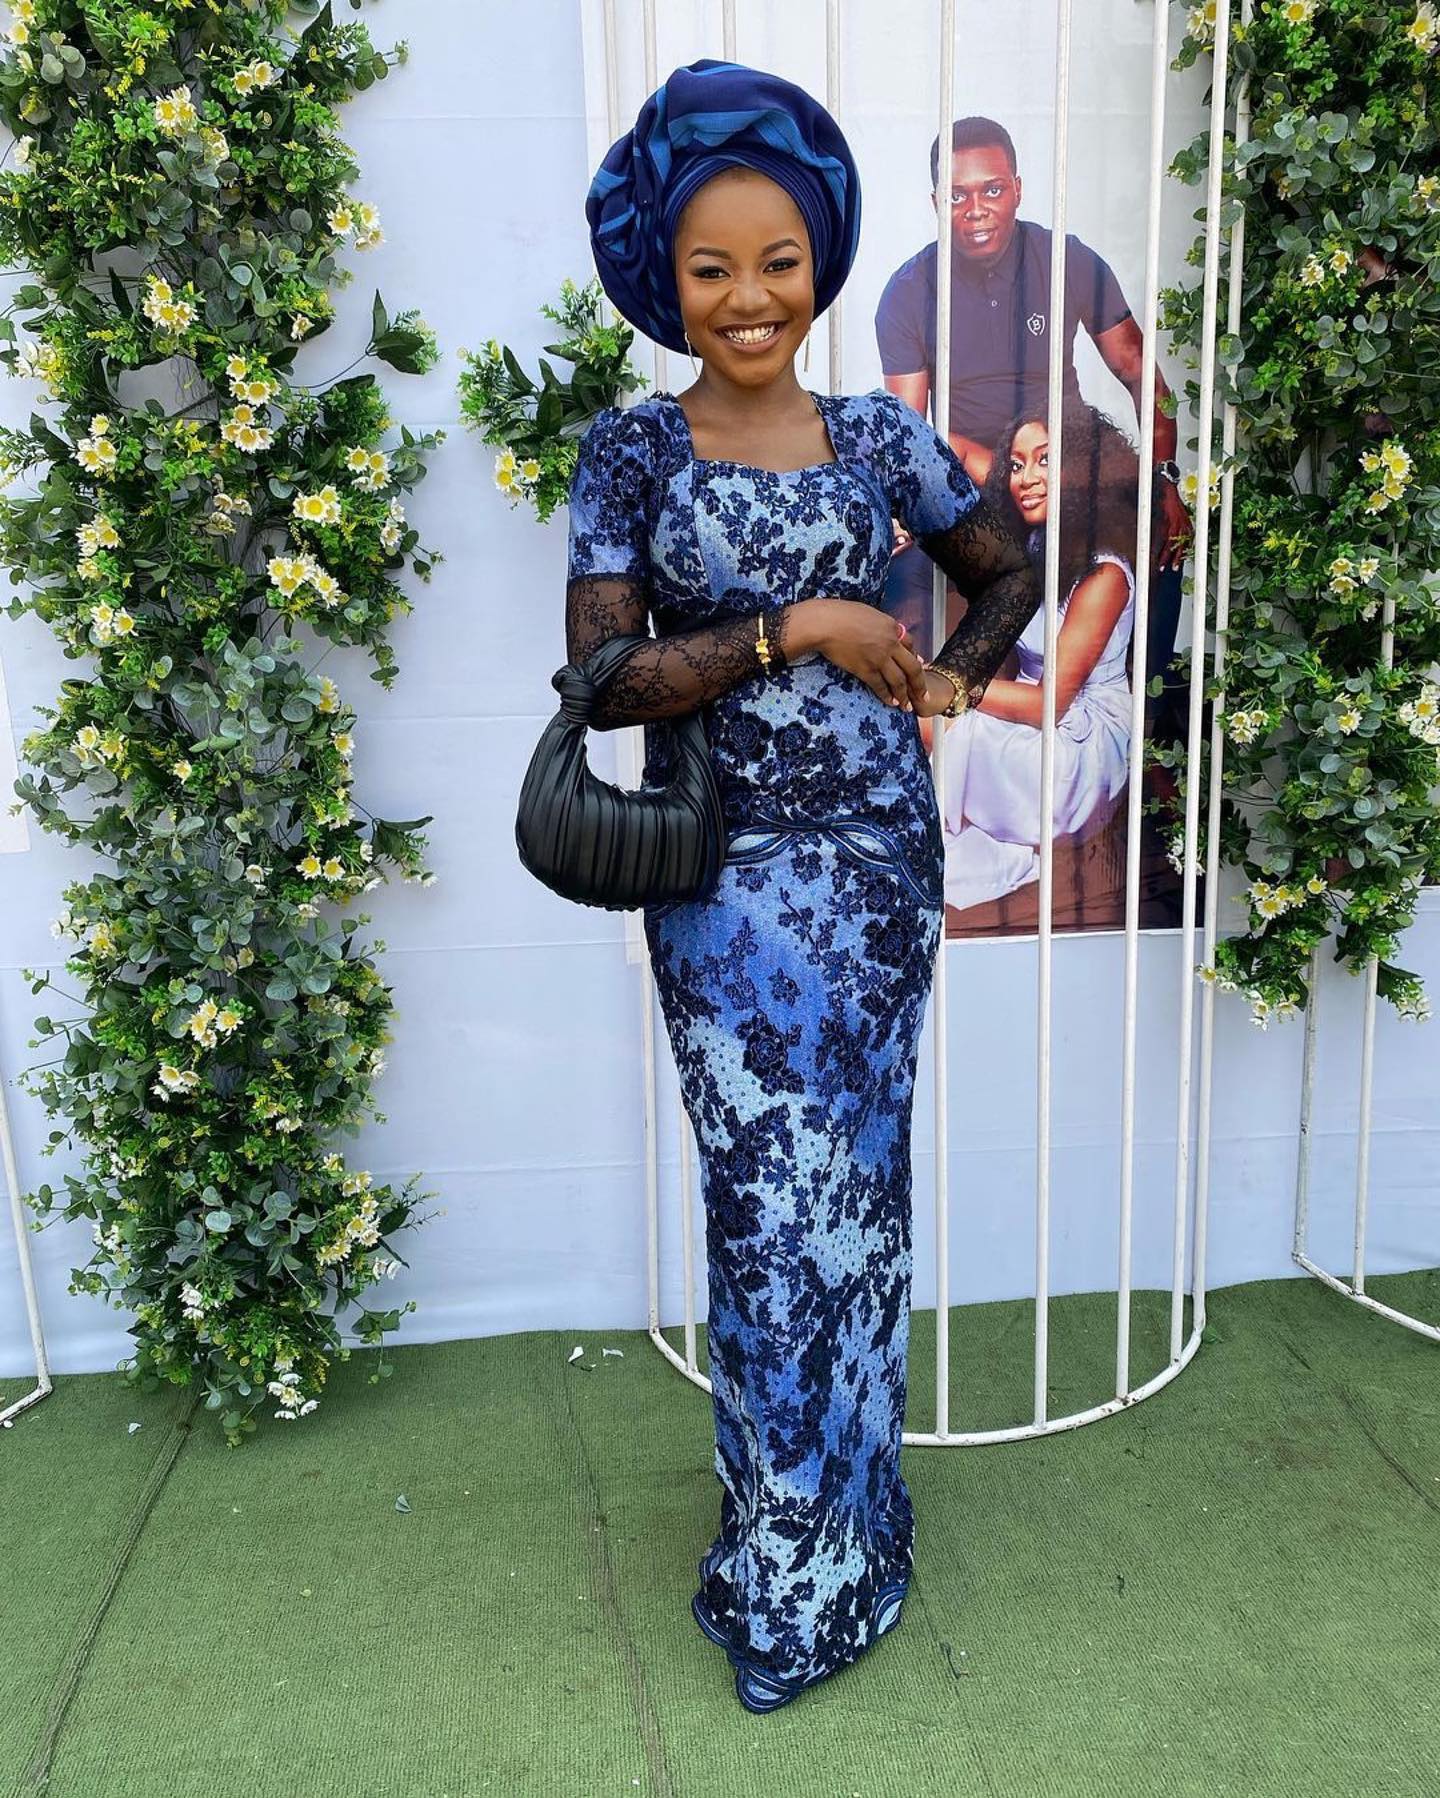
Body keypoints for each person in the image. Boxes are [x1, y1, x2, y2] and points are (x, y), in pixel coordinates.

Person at [572, 57, 1041, 1713]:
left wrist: (947, 678)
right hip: (719, 884)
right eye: (712, 267)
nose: (750, 295)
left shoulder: (882, 437)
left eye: (778, 260)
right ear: (666, 276)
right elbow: (606, 681)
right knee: (767, 1209)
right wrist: (805, 628)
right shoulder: (631, 453)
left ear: (819, 260)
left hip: (873, 880)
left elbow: (1004, 567)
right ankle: (785, 1553)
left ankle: (851, 1530)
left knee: (853, 1206)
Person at [874, 115, 1190, 733]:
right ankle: (926, 759)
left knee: (1164, 537)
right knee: (895, 583)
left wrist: (1163, 480)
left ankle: (1148, 738)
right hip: (974, 492)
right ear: (936, 203)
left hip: (1069, 477)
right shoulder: (909, 291)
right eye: (958, 195)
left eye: (991, 189)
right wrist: (904, 511)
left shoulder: (1068, 261)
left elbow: (1141, 375)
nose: (976, 210)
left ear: (1017, 188)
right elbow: (908, 430)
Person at [936, 399, 1148, 913]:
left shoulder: (1104, 575)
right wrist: (894, 510)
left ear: (1083, 469)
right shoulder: (1036, 544)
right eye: (1015, 464)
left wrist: (945, 682)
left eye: (1046, 459)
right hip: (1033, 711)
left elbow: (1050, 704)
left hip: (1080, 745)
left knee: (934, 717)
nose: (1026, 478)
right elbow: (949, 446)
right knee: (921, 713)